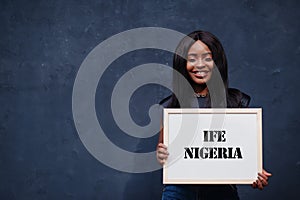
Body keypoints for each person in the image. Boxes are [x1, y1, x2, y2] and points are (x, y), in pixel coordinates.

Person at [156, 30, 272, 200]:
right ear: (182, 63)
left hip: (222, 192)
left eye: (207, 58)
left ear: (217, 63)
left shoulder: (236, 101)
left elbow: (242, 150)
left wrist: (253, 171)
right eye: (192, 58)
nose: (200, 65)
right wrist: (161, 155)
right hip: (179, 192)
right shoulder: (169, 106)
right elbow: (163, 153)